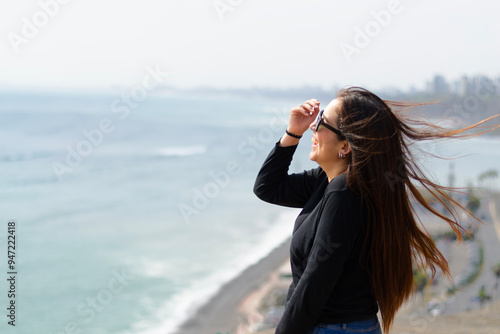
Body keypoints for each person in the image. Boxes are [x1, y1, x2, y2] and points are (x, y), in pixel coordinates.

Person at [253, 87, 498, 334]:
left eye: (322, 122)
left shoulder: (344, 192)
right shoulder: (329, 182)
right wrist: (292, 132)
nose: (312, 129)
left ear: (346, 145)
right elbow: (268, 187)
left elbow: (315, 281)